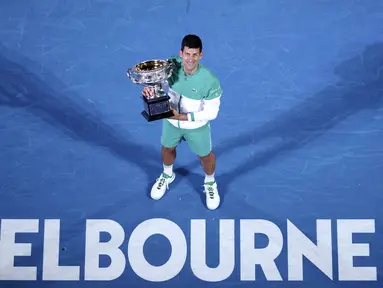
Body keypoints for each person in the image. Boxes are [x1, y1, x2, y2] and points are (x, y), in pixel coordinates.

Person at [142, 34, 223, 210]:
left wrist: (183, 117)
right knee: (167, 148)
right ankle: (167, 174)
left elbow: (212, 112)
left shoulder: (210, 81)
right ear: (181, 53)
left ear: (201, 55)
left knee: (205, 156)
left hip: (196, 126)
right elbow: (160, 83)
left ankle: (210, 183)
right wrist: (151, 89)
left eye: (195, 55)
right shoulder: (171, 65)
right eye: (187, 54)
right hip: (171, 122)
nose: (190, 59)